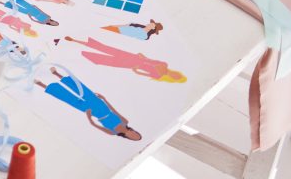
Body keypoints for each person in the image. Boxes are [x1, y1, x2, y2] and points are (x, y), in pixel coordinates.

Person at [36, 67, 142, 140]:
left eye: (133, 137)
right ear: (135, 131)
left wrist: (89, 116)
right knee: (82, 89)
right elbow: (114, 111)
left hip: (93, 113)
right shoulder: (125, 121)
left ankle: (41, 84)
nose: (133, 135)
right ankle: (56, 73)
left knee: (69, 98)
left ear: (129, 138)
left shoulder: (113, 133)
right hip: (102, 106)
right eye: (135, 134)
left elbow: (94, 125)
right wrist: (104, 99)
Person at [58, 35, 186, 83]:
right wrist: (143, 56)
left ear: (172, 78)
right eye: (176, 75)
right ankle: (75, 40)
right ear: (176, 72)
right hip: (134, 57)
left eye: (175, 77)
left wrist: (136, 70)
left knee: (104, 59)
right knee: (105, 48)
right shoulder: (165, 63)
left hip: (130, 64)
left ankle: (78, 53)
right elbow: (151, 60)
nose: (174, 75)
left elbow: (143, 73)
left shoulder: (158, 76)